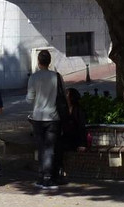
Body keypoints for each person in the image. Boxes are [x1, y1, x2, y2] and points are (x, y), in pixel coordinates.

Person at [26, 50, 67, 190]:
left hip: (38, 117)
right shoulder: (56, 76)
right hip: (53, 117)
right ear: (49, 61)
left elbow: (29, 99)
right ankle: (49, 176)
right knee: (50, 147)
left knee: (41, 147)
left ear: (38, 62)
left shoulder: (33, 77)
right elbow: (63, 95)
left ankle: (42, 174)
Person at [61, 88, 87, 153]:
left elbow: (82, 127)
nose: (65, 95)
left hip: (76, 139)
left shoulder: (78, 110)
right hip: (66, 139)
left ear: (71, 97)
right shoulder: (64, 109)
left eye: (67, 93)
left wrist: (82, 144)